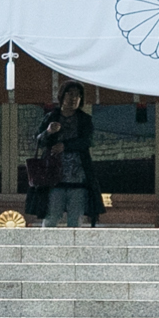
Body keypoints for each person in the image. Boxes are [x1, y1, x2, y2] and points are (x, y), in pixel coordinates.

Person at [36, 81, 96, 228]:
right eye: (70, 94)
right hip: (54, 178)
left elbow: (87, 141)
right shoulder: (51, 117)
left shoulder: (84, 119)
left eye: (77, 95)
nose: (74, 98)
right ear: (62, 96)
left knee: (75, 220)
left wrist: (65, 146)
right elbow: (38, 141)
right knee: (51, 217)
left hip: (78, 179)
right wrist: (48, 132)